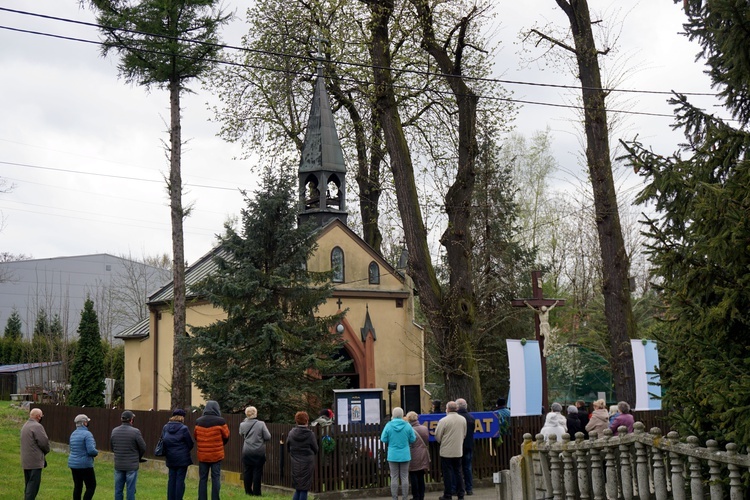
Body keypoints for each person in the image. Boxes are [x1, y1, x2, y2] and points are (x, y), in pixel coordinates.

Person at [194, 400, 230, 500]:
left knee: (203, 479)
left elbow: (196, 437)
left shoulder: (198, 421)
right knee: (215, 478)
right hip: (216, 455)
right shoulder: (221, 421)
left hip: (203, 455)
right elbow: (226, 436)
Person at [380, 407, 416, 500]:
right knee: (404, 477)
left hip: (392, 454)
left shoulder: (389, 425)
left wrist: (390, 440)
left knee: (394, 477)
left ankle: (394, 497)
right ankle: (405, 497)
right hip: (405, 454)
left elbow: (383, 438)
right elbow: (413, 439)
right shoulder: (407, 425)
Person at [111, 410, 147, 500]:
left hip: (119, 464)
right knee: (130, 490)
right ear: (131, 420)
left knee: (118, 489)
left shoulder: (114, 431)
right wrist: (138, 457)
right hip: (131, 465)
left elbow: (112, 447)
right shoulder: (135, 432)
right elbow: (143, 447)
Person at [434, 401, 466, 500]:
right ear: (456, 409)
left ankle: (448, 494)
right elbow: (464, 434)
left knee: (447, 473)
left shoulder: (443, 420)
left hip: (446, 451)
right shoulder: (462, 419)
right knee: (459, 472)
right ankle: (461, 493)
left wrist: (442, 442)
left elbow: (438, 436)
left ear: (447, 409)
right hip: (458, 450)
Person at [162, 408, 194, 500]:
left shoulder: (165, 427)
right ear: (182, 417)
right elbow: (190, 443)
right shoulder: (184, 428)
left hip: (170, 457)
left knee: (171, 479)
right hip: (182, 458)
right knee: (180, 480)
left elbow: (163, 440)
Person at [239, 405, 271, 496]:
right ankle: (257, 493)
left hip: (247, 451)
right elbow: (268, 437)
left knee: (247, 471)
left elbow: (241, 433)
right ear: (255, 413)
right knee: (257, 472)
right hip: (258, 451)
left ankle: (248, 491)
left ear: (246, 414)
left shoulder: (242, 424)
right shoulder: (261, 424)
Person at [287, 411, 318, 500]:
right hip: (307, 462)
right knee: (304, 488)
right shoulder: (310, 434)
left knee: (298, 488)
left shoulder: (291, 433)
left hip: (295, 461)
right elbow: (315, 448)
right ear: (306, 421)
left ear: (296, 421)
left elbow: (288, 446)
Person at [20, 407, 50, 500]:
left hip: (26, 460)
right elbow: (44, 443)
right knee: (33, 487)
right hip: (35, 461)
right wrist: (46, 450)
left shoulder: (25, 425)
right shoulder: (37, 426)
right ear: (38, 416)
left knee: (28, 484)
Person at [68, 414, 98, 500]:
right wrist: (96, 452)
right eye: (87, 421)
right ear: (84, 423)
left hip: (73, 463)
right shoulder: (87, 434)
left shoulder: (73, 434)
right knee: (91, 486)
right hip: (85, 464)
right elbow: (91, 450)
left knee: (78, 486)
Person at [406, 411, 430, 500]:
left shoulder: (409, 429)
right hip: (423, 454)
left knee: (413, 475)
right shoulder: (424, 428)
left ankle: (416, 496)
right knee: (421, 475)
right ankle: (422, 495)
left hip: (413, 453)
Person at [455, 398, 476, 496]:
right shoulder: (471, 418)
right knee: (467, 468)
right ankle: (469, 488)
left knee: (457, 468)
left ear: (457, 406)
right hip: (468, 445)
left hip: (458, 445)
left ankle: (458, 489)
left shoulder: (456, 418)